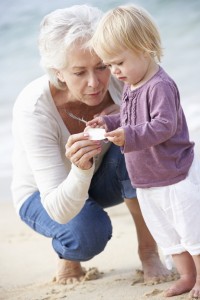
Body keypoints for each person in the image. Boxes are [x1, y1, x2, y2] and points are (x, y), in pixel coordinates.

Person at [11, 4, 172, 286]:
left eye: (101, 66)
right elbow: (58, 209)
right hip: (43, 196)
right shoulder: (33, 108)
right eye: (78, 72)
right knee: (87, 234)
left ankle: (148, 252)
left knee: (140, 144)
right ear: (58, 72)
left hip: (103, 178)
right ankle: (68, 253)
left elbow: (164, 129)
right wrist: (81, 170)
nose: (94, 83)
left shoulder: (124, 77)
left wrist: (125, 117)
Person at [88, 3, 200, 298]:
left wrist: (129, 135)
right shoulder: (131, 84)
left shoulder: (160, 85)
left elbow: (164, 125)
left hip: (172, 174)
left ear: (146, 47)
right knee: (168, 235)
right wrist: (109, 120)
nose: (114, 71)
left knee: (190, 231)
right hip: (147, 179)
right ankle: (187, 276)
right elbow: (130, 119)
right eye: (109, 65)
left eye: (119, 63)